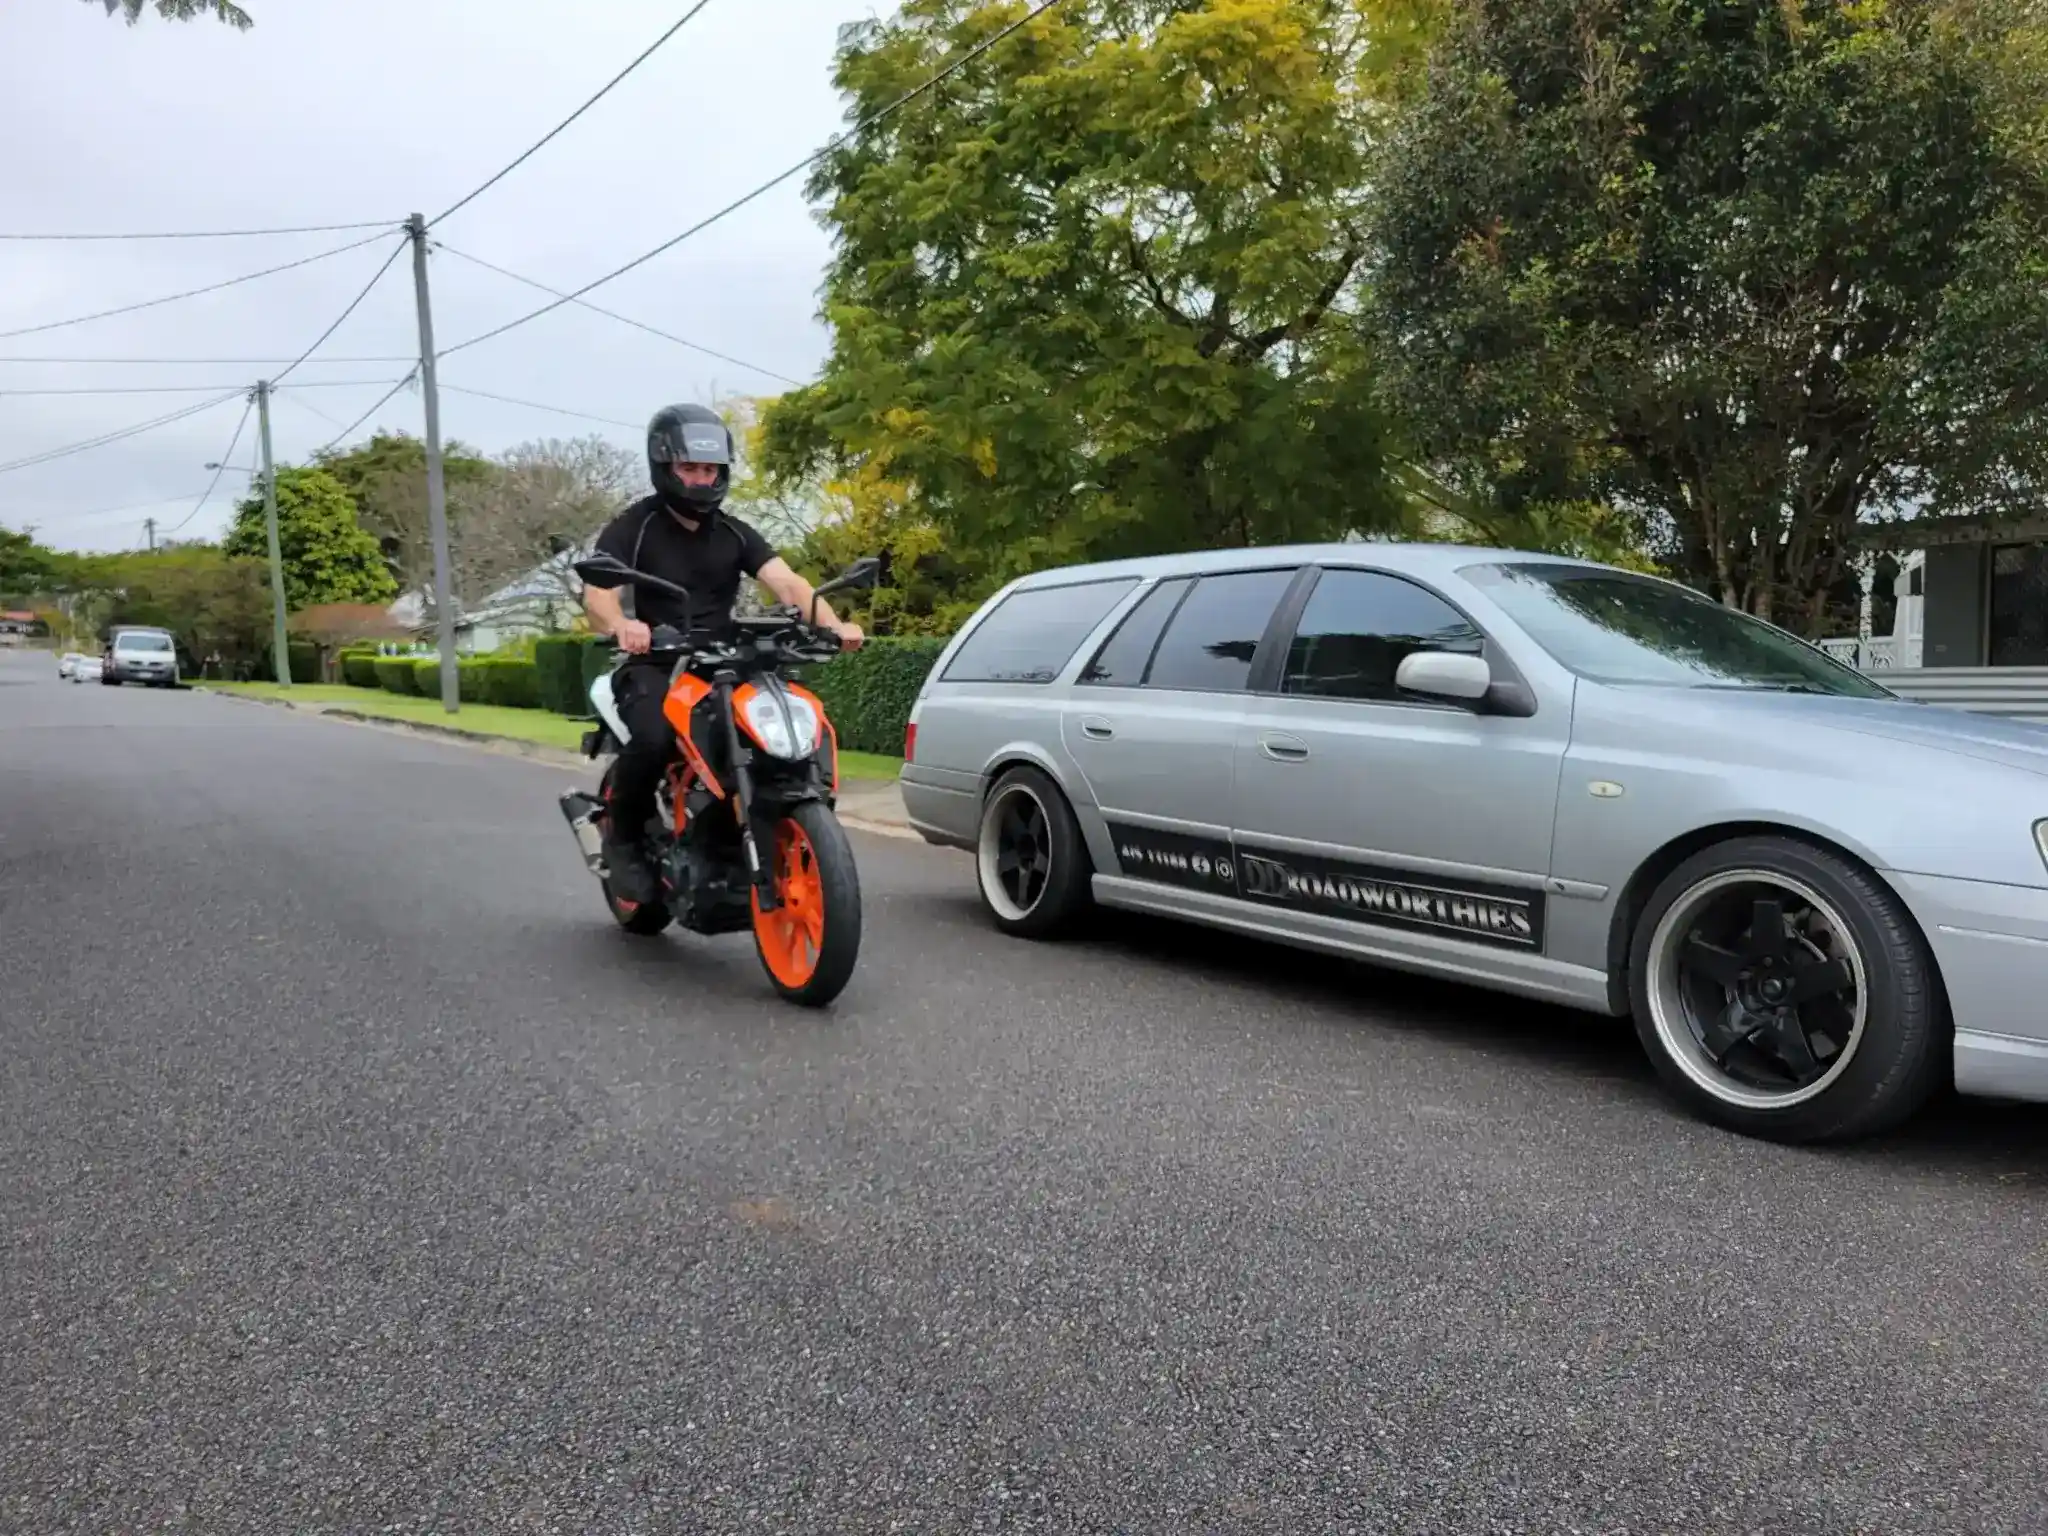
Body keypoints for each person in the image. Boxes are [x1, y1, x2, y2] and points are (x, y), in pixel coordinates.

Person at [582, 401, 864, 903]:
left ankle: (763, 821)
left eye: (708, 469)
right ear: (666, 468)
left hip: (723, 662)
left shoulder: (734, 532)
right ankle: (623, 837)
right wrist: (623, 625)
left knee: (784, 724)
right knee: (652, 736)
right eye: (689, 468)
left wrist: (834, 624)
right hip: (655, 662)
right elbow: (598, 592)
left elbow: (787, 582)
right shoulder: (635, 525)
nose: (699, 479)